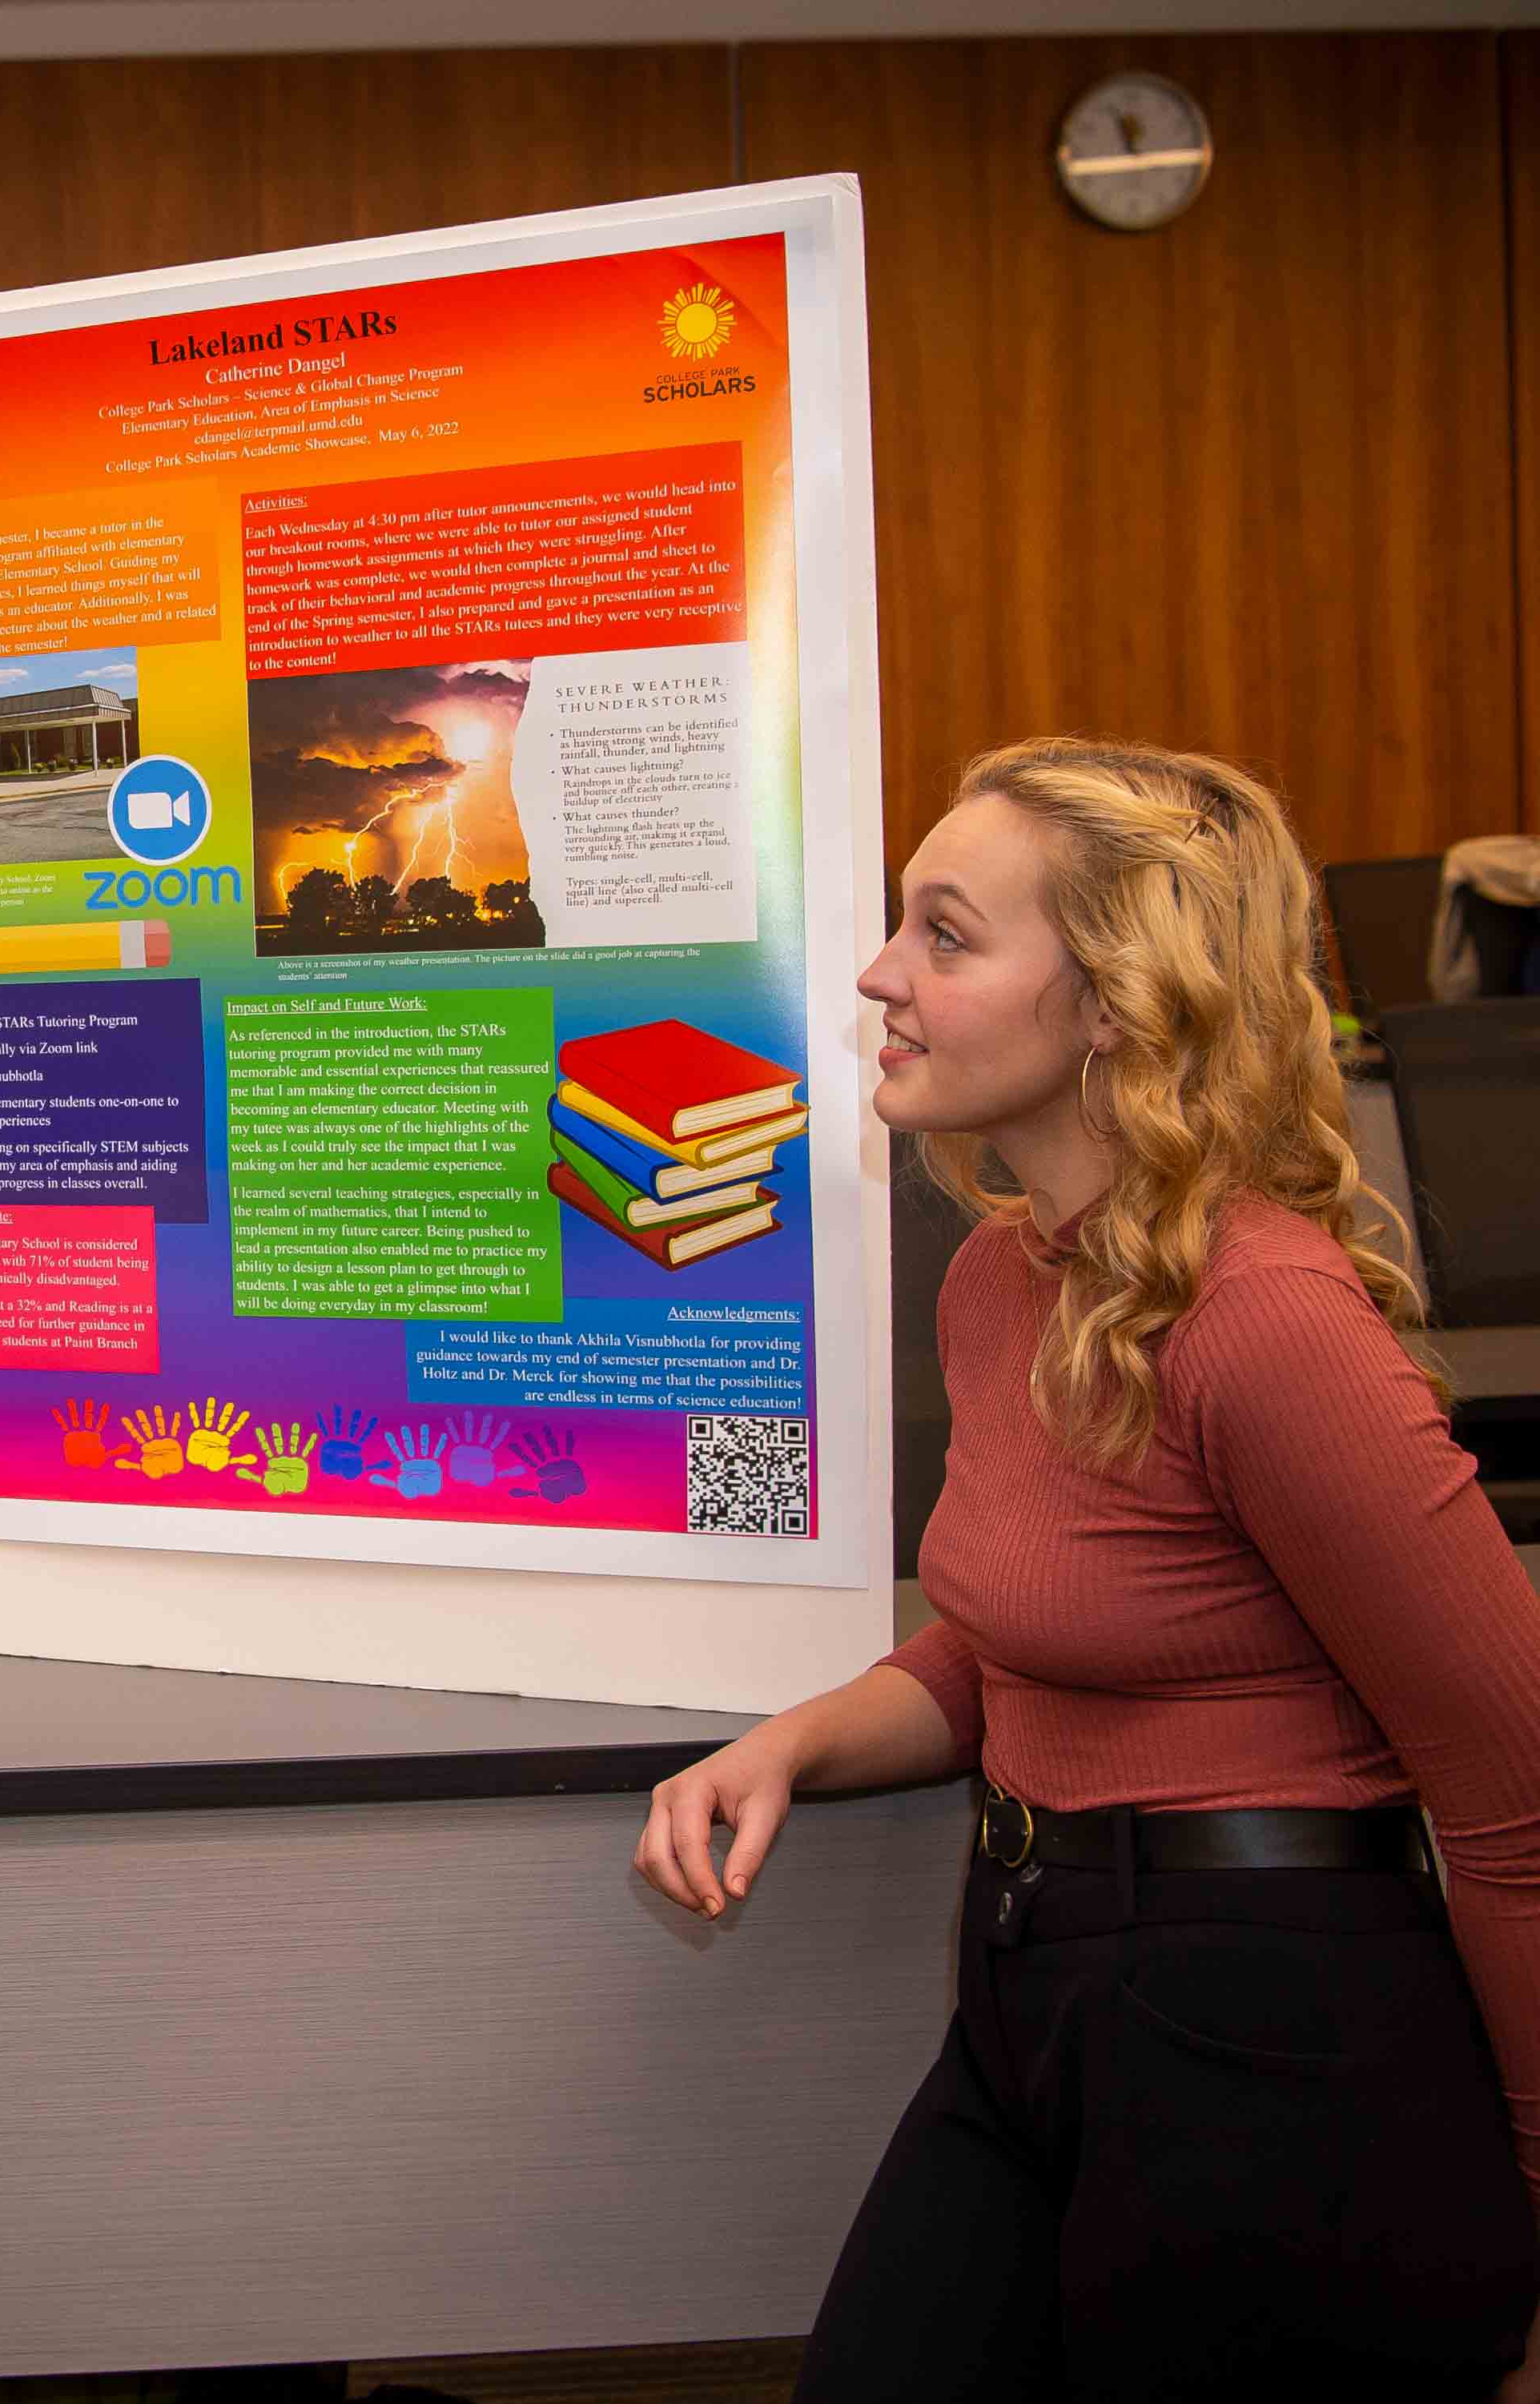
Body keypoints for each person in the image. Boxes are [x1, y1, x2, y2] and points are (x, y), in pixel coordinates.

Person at [634, 741, 1540, 2402]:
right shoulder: (996, 1279)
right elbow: (1016, 1643)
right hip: (1029, 1982)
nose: (876, 973)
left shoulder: (1258, 1319)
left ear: (1116, 1001)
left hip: (1269, 2033)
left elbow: (1515, 1795)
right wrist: (791, 1743)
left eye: (945, 935)